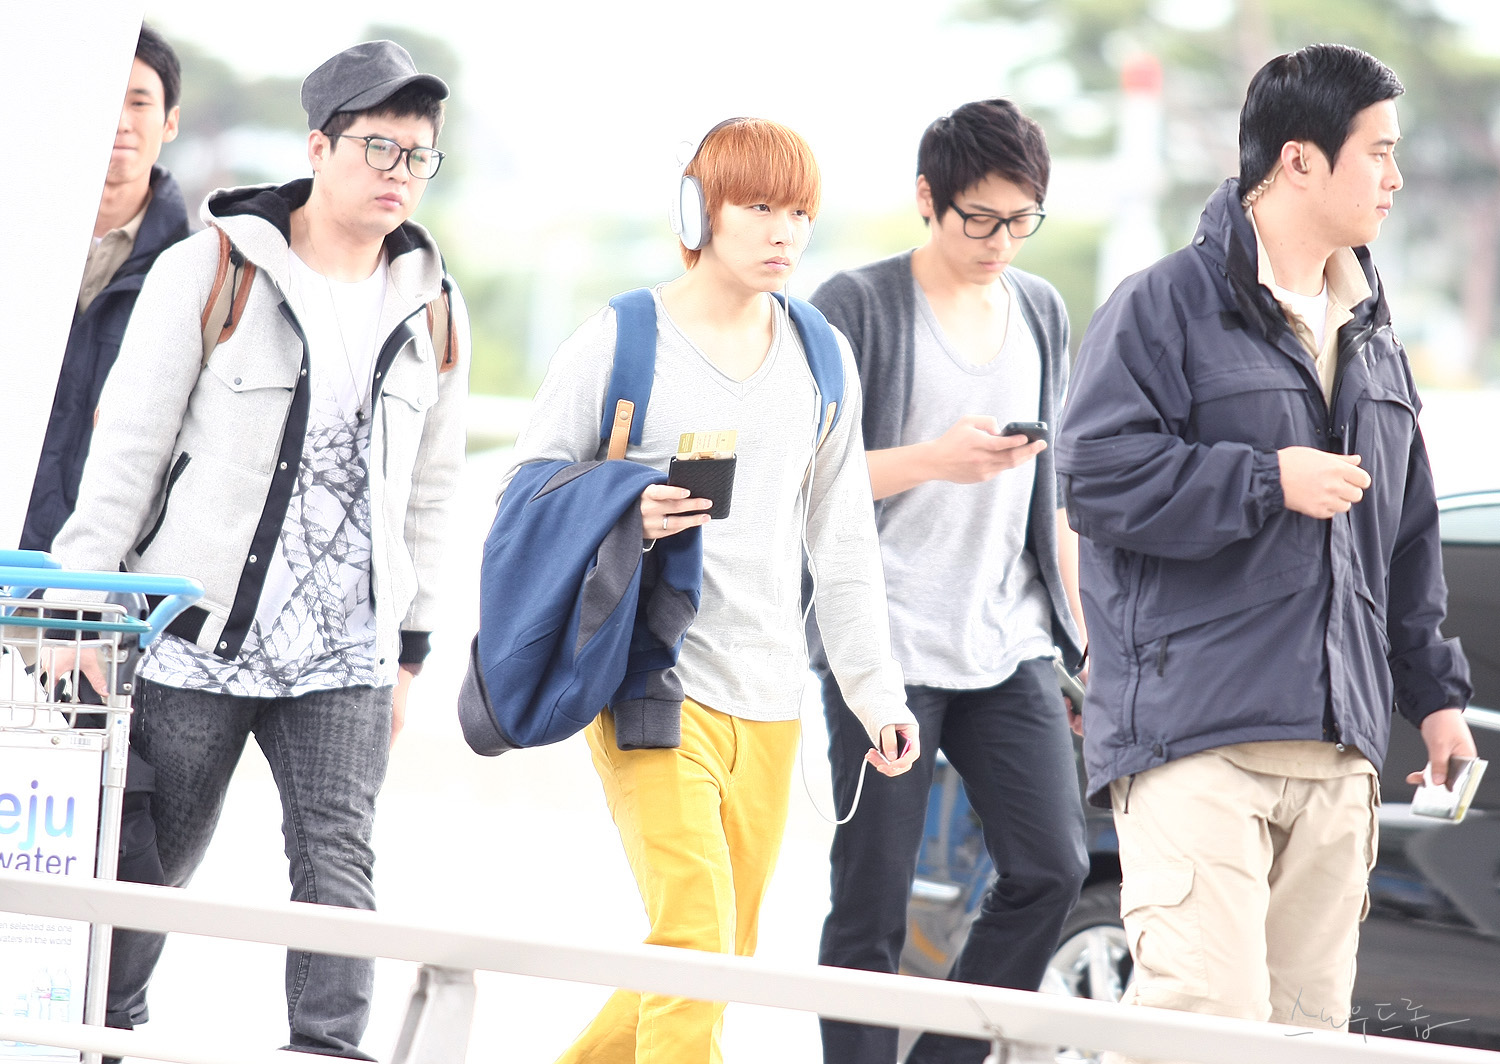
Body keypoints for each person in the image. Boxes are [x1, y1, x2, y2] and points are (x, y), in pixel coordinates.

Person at [48, 40, 468, 1057]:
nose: (399, 173)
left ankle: (327, 1052)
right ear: (318, 148)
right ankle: (102, 1034)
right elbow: (128, 455)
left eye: (418, 156)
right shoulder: (211, 268)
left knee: (338, 876)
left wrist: (410, 650)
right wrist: (76, 615)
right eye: (378, 148)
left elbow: (430, 492)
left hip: (345, 658)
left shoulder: (433, 304)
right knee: (147, 874)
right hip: (194, 635)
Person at [1055, 43, 1475, 1047]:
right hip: (1196, 742)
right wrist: (1265, 480)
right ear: (1299, 160)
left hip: (1338, 754)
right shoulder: (1162, 307)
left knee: (1306, 1039)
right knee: (1204, 1030)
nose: (1395, 176)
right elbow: (1094, 478)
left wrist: (1437, 699)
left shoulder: (1374, 335)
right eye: (1378, 151)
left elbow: (1406, 535)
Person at [502, 117, 919, 1064]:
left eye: (799, 212)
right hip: (651, 680)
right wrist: (625, 508)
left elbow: (843, 542)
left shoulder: (821, 355)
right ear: (699, 211)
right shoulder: (623, 341)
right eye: (760, 206)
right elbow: (526, 491)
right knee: (695, 937)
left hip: (770, 699)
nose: (784, 232)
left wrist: (875, 694)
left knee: (715, 956)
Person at [809, 99, 1089, 1064]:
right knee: (871, 905)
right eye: (980, 218)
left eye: (1022, 219)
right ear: (928, 199)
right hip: (884, 648)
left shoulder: (1041, 308)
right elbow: (804, 477)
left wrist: (1084, 639)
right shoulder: (857, 305)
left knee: (1052, 869)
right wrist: (935, 459)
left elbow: (1053, 496)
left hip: (1008, 641)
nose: (1001, 241)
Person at [22, 23, 189, 552]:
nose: (120, 121)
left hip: (90, 575)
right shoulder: (18, 238)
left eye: (139, 102)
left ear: (170, 122)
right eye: (106, 97)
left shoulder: (192, 277)